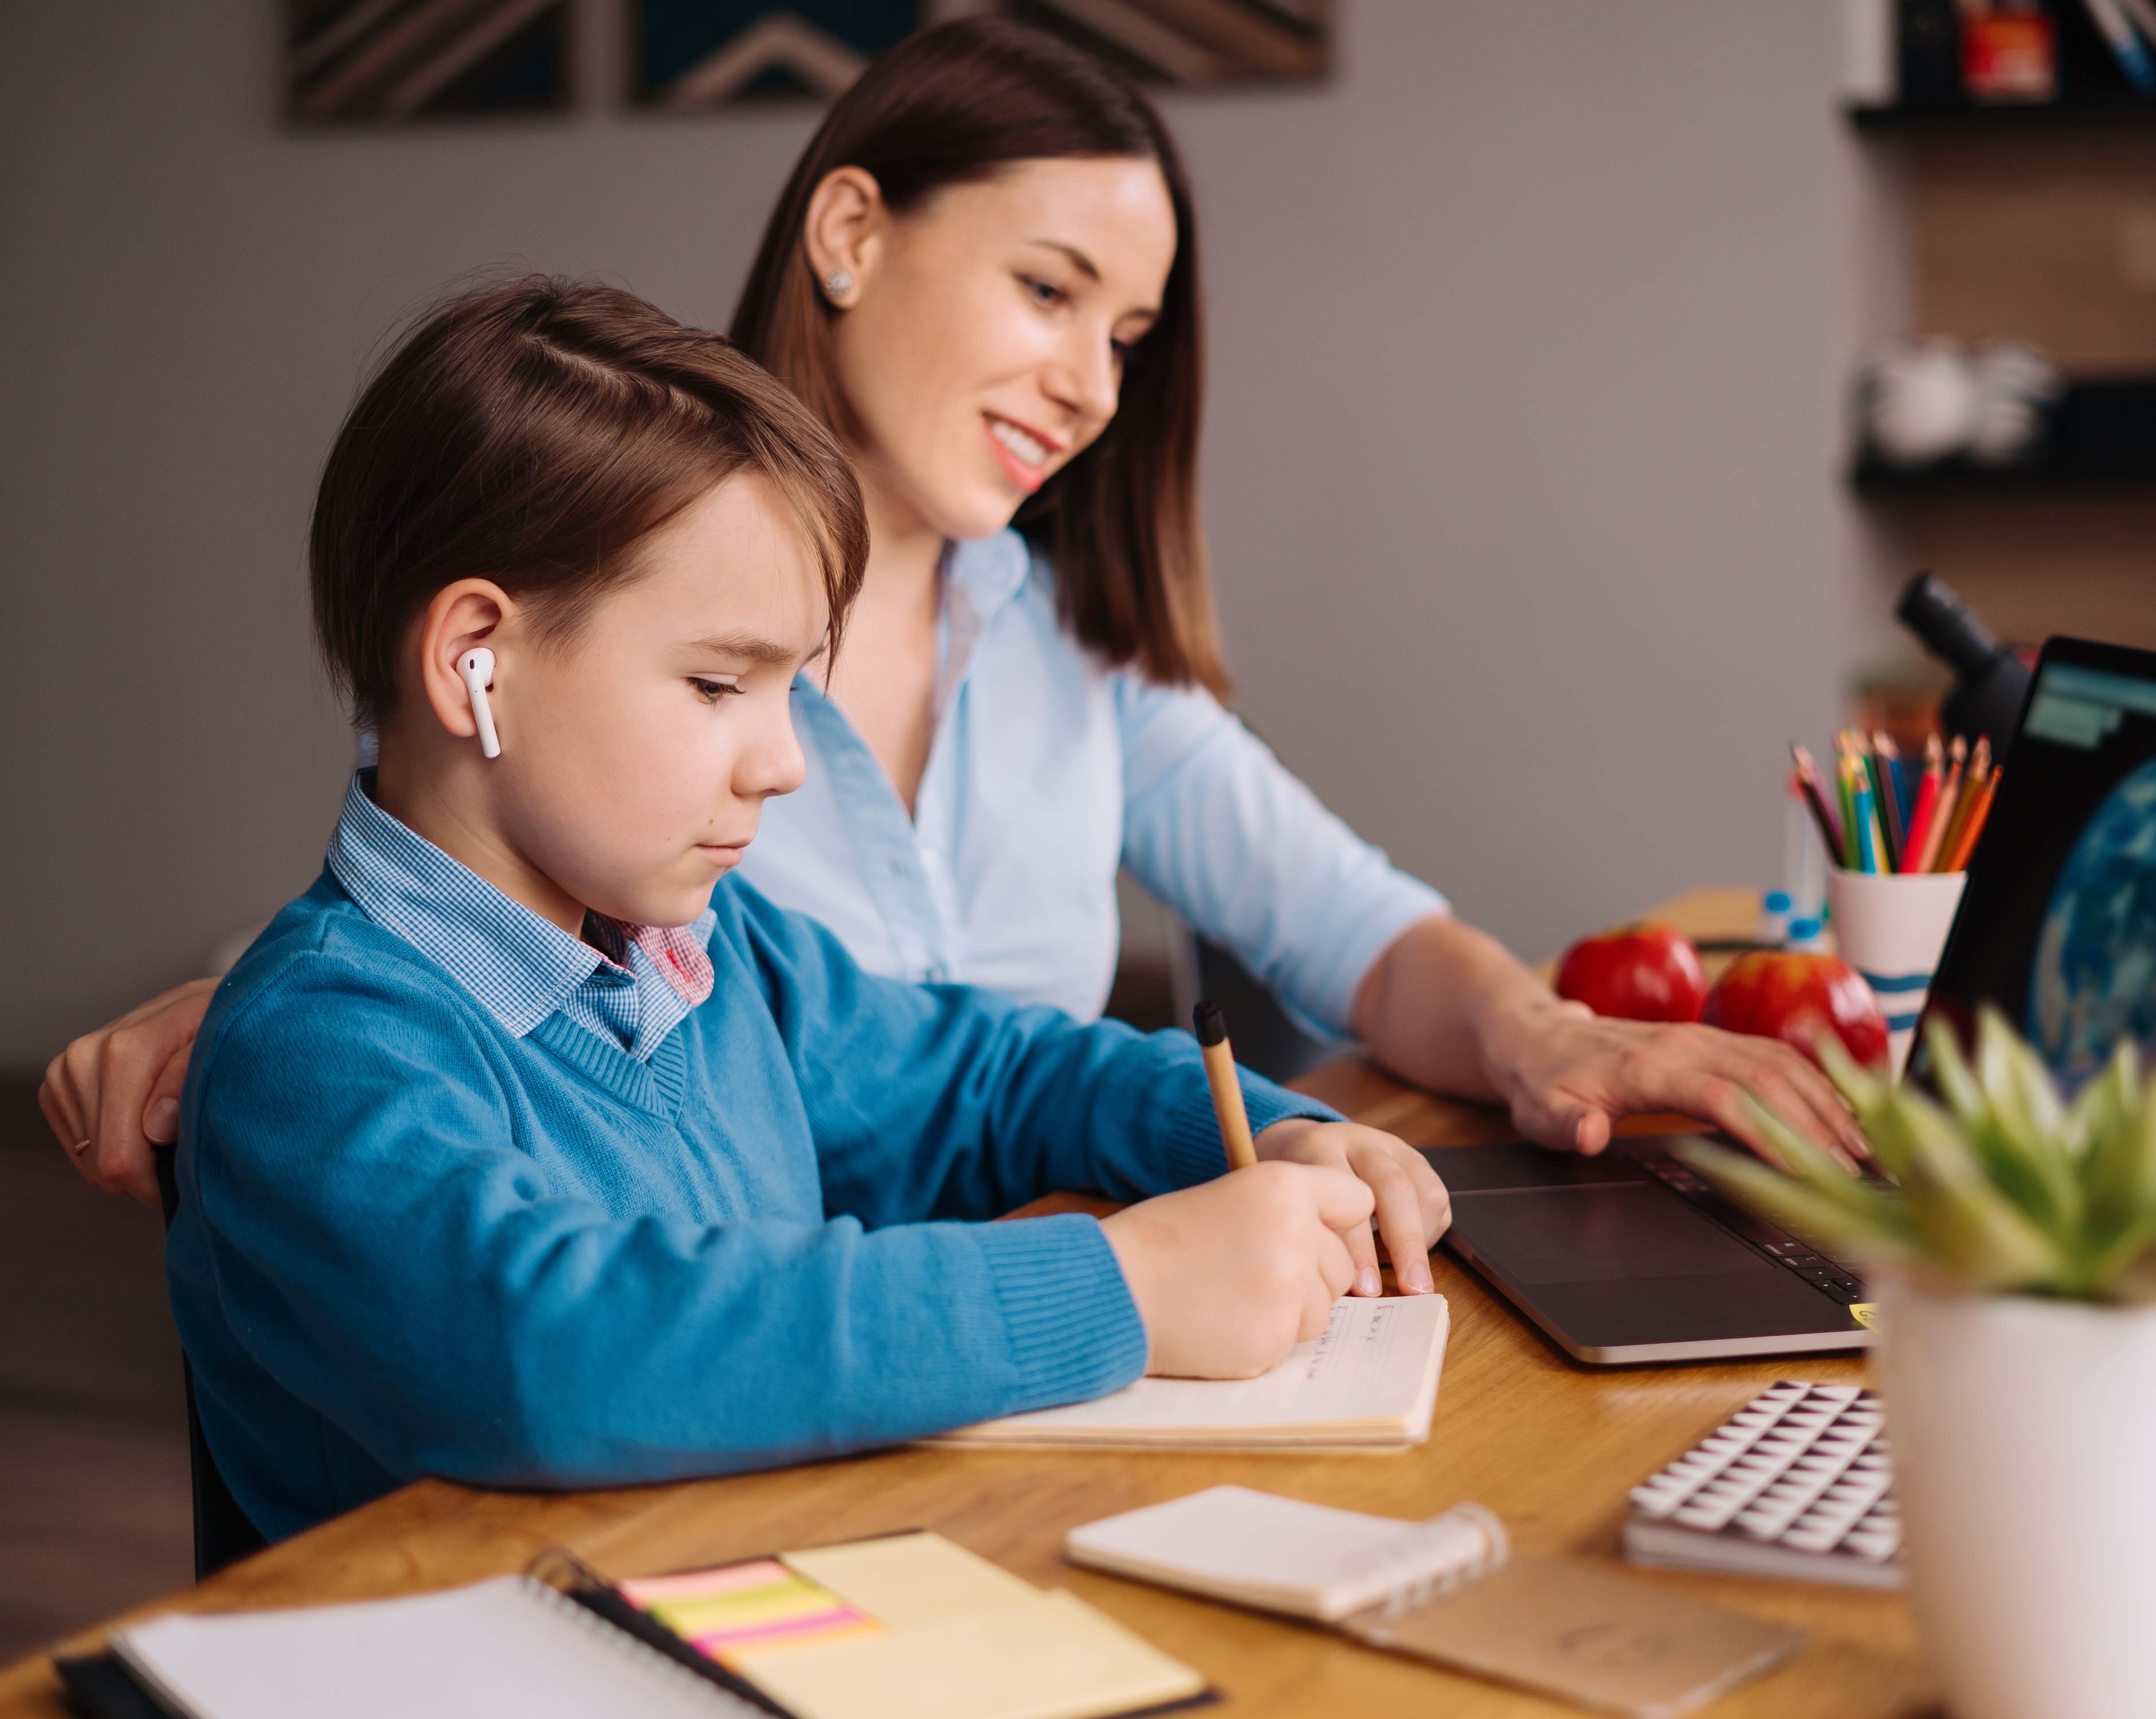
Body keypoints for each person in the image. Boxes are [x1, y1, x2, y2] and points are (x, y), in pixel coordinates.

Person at [41, 18, 1865, 1214]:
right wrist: (252, 996)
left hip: (1031, 1332)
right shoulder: (592, 604)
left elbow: (1355, 935)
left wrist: (1546, 1037)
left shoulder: (1073, 649)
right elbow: (452, 917)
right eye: (1049, 291)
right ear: (849, 234)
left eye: (1128, 341)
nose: (1089, 386)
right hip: (755, 1373)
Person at [179, 277, 1449, 1543]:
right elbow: (552, 1352)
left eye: (793, 690)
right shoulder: (318, 1047)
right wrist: (1125, 1288)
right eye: (718, 682)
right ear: (475, 663)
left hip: (763, 1592)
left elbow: (988, 1080)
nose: (783, 762)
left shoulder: (717, 961)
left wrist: (1260, 1136)